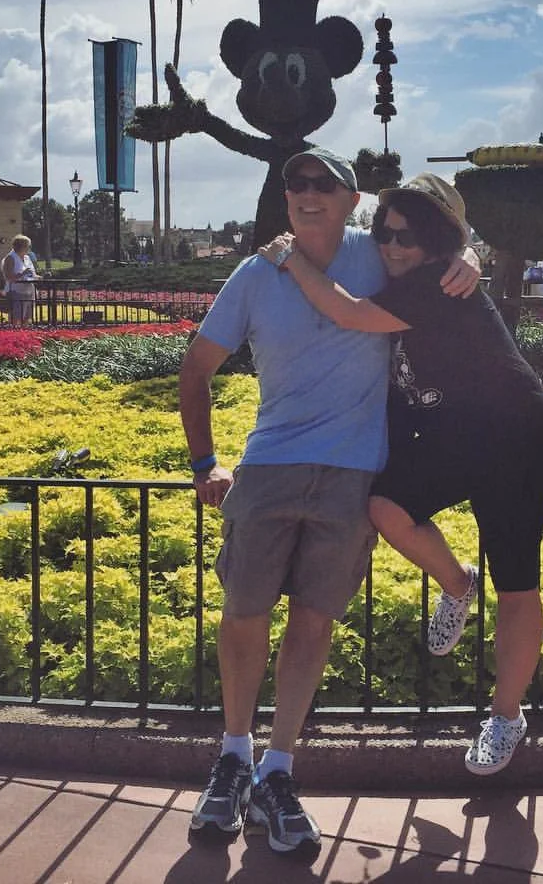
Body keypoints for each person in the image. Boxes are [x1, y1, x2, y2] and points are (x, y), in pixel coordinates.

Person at [180, 148, 480, 858]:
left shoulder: (380, 258)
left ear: (352, 201)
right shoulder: (255, 274)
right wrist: (204, 463)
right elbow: (196, 370)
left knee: (314, 623)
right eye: (296, 183)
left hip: (352, 473)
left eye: (323, 183)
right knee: (244, 615)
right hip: (269, 466)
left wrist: (473, 258)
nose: (306, 192)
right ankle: (233, 757)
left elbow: (444, 251)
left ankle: (277, 771)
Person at [261, 173, 543, 777]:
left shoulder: (436, 282)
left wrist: (292, 260)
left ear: (436, 244)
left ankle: (506, 716)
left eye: (409, 237)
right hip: (455, 434)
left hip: (516, 436)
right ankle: (457, 583)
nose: (393, 246)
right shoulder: (412, 274)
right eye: (386, 232)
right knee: (387, 505)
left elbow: (348, 313)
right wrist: (470, 252)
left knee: (517, 582)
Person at [1, 234, 40, 326]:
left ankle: (25, 332)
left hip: (29, 291)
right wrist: (22, 274)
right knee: (16, 317)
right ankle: (15, 332)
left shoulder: (27, 258)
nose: (29, 248)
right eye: (27, 246)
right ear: (20, 246)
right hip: (16, 292)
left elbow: (31, 273)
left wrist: (38, 277)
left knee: (28, 317)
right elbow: (8, 277)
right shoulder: (10, 258)